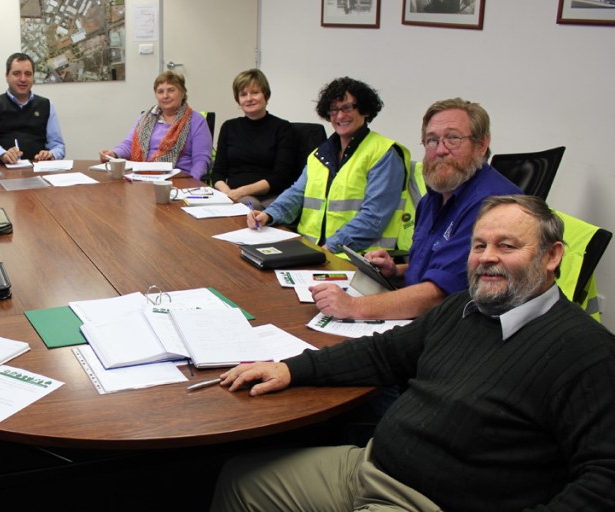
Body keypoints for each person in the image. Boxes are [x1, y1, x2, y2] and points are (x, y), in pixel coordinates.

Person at [213, 195, 615, 511]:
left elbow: (603, 478)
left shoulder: (588, 353)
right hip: (369, 467)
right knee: (237, 481)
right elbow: (383, 354)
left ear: (552, 256)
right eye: (479, 245)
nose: (487, 257)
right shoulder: (464, 309)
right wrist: (291, 370)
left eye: (506, 246)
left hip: (426, 503)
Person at [310, 98, 521, 320]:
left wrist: (354, 307)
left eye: (453, 138)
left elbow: (439, 294)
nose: (440, 150)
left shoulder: (491, 205)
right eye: (431, 140)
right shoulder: (432, 199)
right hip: (425, 316)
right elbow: (441, 267)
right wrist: (396, 271)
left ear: (482, 144)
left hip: (464, 327)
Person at [246, 77, 415, 254]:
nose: (340, 116)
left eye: (347, 108)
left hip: (360, 260)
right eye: (333, 110)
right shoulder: (319, 155)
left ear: (365, 110)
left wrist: (327, 250)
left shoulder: (384, 154)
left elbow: (373, 218)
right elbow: (297, 193)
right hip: (313, 252)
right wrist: (269, 214)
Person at [99, 70, 213, 180]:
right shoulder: (145, 118)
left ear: (182, 93)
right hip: (141, 177)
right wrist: (113, 154)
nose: (165, 96)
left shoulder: (196, 120)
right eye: (160, 92)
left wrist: (191, 182)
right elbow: (129, 145)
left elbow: (201, 160)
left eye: (171, 90)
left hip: (178, 179)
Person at [211, 68, 299, 207]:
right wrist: (228, 193)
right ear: (238, 100)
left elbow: (280, 177)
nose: (249, 98)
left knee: (248, 207)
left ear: (266, 95)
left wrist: (241, 192)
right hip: (232, 195)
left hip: (269, 197)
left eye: (255, 92)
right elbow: (217, 173)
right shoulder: (229, 127)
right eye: (243, 94)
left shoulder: (283, 128)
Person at [0, 52, 65, 164]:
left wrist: (51, 154)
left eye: (28, 74)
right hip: (4, 171)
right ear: (7, 76)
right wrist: (3, 154)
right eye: (17, 73)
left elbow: (58, 145)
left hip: (39, 170)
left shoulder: (46, 105)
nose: (23, 79)